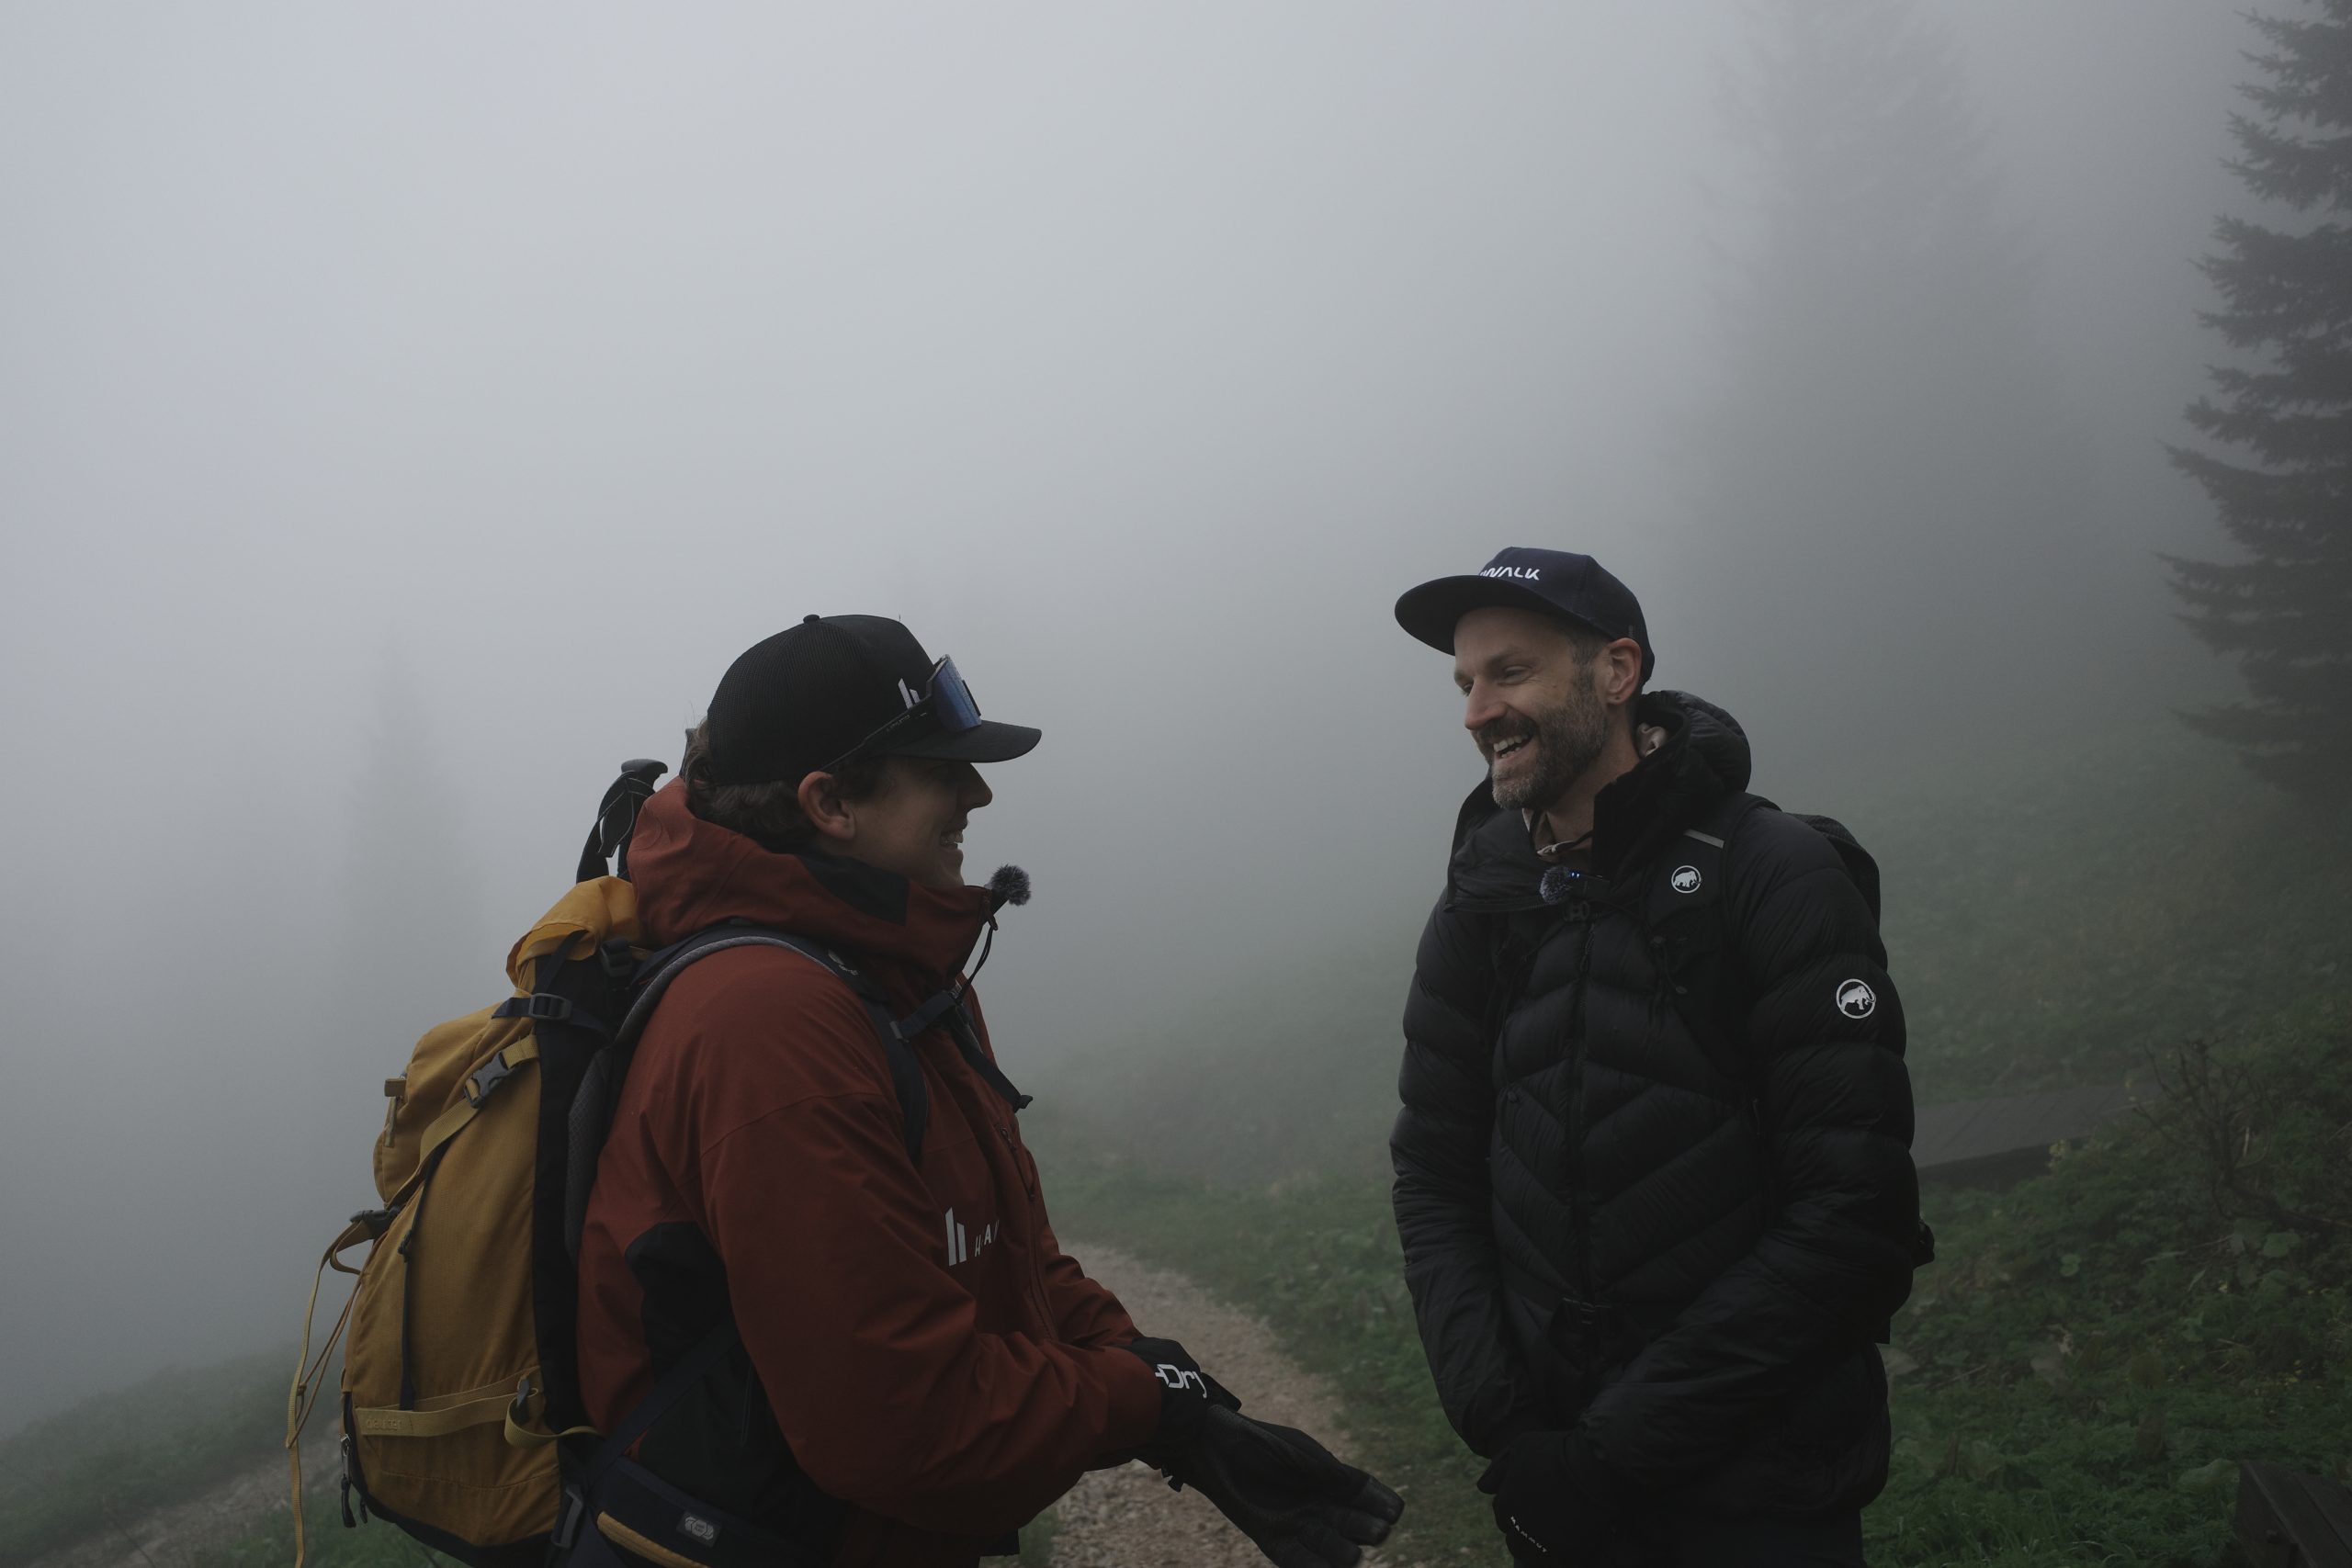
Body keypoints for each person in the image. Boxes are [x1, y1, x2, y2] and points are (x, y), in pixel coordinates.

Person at [573, 614, 1400, 1568]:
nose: (977, 791)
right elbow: (898, 1422)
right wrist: (1139, 1403)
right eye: (939, 767)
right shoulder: (771, 1024)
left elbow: (999, 1257)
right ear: (830, 802)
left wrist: (1171, 1391)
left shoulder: (890, 980)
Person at [1387, 550, 1924, 1566]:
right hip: (1558, 1489)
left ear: (1616, 672)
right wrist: (1510, 1427)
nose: (1474, 712)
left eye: (1509, 673)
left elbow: (1855, 1216)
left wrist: (1617, 1448)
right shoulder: (1479, 904)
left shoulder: (1775, 877)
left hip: (1764, 1488)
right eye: (1463, 683)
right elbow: (1432, 1175)